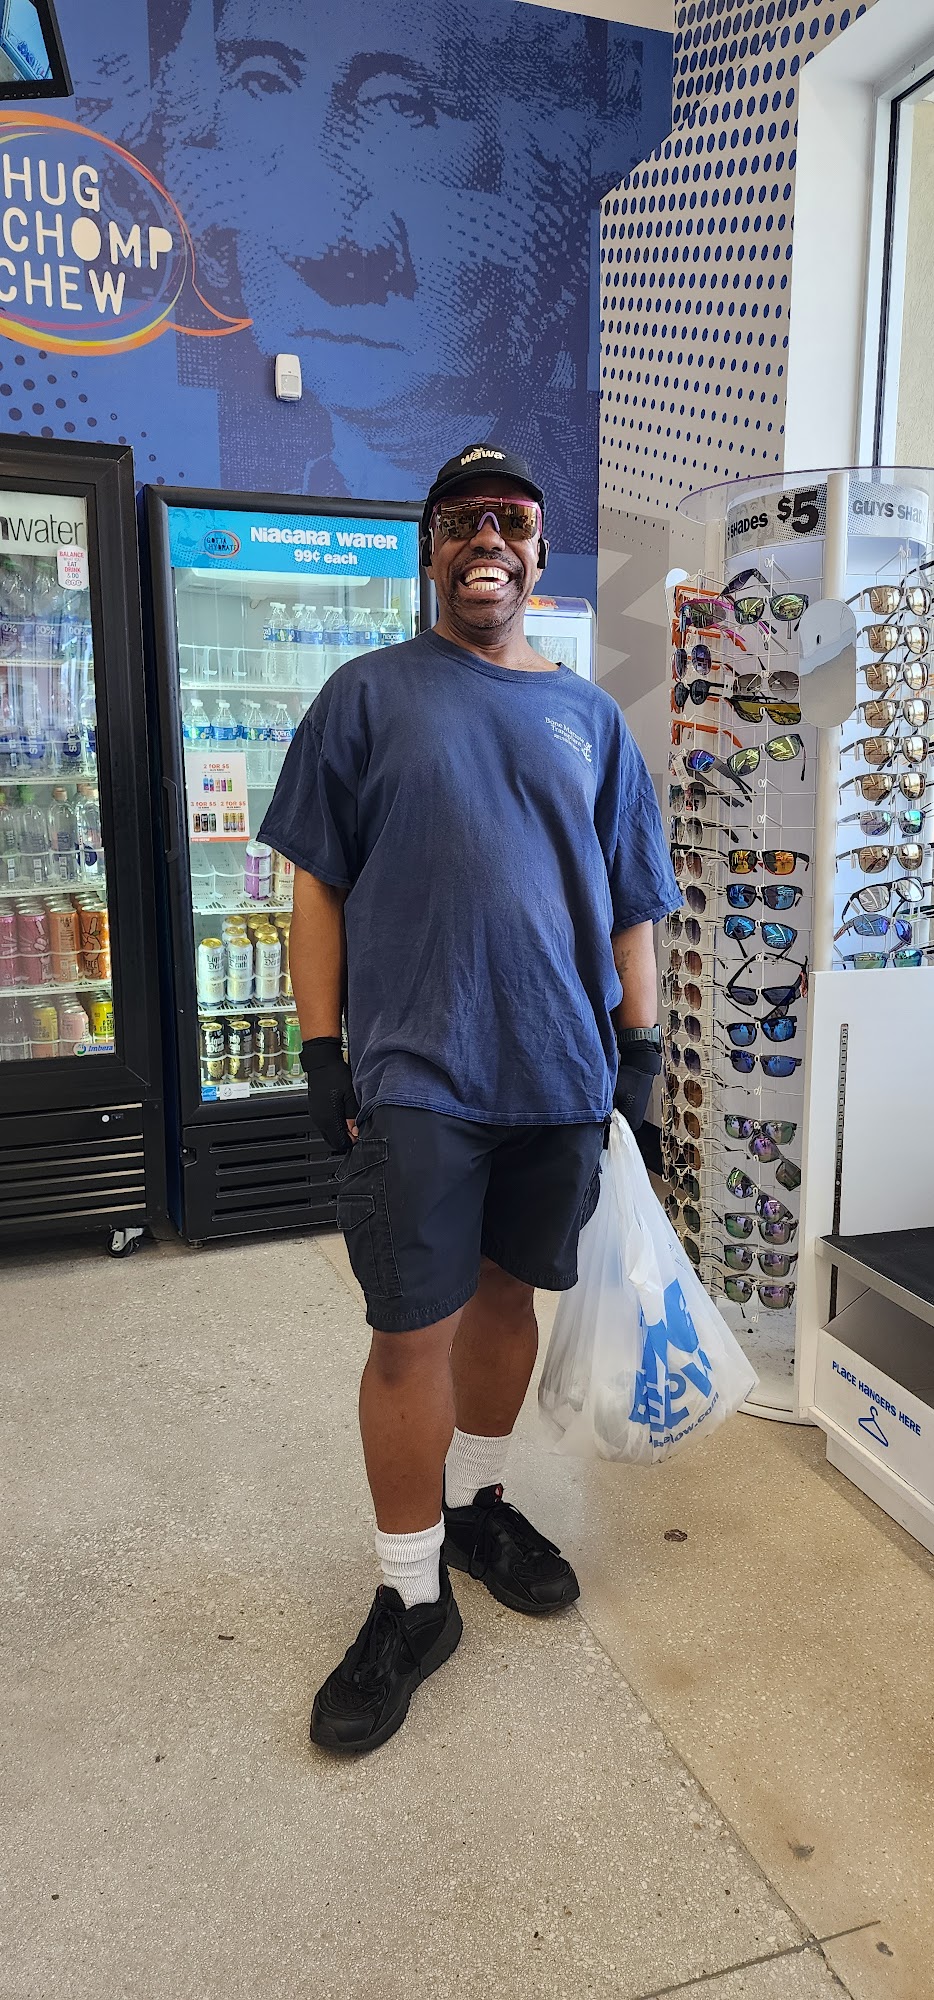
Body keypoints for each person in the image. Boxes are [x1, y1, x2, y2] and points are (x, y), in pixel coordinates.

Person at [259, 444, 680, 1754]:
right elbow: (317, 885)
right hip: (419, 1076)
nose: (486, 539)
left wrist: (641, 1057)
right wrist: (321, 1052)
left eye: (510, 521)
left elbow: (630, 904)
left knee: (509, 1303)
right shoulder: (366, 694)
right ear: (430, 548)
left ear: (537, 551)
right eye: (460, 522)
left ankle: (479, 1507)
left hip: (558, 1077)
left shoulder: (590, 719)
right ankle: (410, 1594)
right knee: (407, 1336)